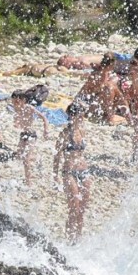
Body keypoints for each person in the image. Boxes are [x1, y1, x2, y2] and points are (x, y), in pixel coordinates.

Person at [53, 104, 91, 243]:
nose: (82, 118)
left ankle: (78, 238)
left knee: (82, 209)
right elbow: (56, 156)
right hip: (69, 172)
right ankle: (69, 239)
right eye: (79, 115)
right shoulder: (64, 134)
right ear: (73, 116)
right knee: (74, 207)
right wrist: (55, 176)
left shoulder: (82, 131)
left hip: (84, 171)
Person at [67, 52, 130, 125]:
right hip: (90, 104)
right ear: (111, 64)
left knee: (115, 91)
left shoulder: (106, 73)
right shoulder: (98, 75)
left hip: (96, 103)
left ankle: (127, 115)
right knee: (110, 89)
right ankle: (110, 118)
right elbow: (85, 93)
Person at [11, 89, 49, 185]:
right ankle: (37, 159)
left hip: (31, 135)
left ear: (23, 100)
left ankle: (29, 182)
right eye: (14, 100)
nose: (16, 102)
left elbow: (44, 117)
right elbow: (18, 122)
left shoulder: (29, 108)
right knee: (19, 155)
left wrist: (46, 130)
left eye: (18, 100)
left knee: (26, 159)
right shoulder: (15, 108)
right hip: (23, 135)